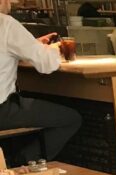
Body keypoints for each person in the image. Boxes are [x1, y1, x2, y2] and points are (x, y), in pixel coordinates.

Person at [0, 0, 81, 166]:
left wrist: (33, 45)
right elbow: (47, 65)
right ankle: (20, 164)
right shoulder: (6, 24)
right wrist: (56, 49)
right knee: (71, 119)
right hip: (2, 111)